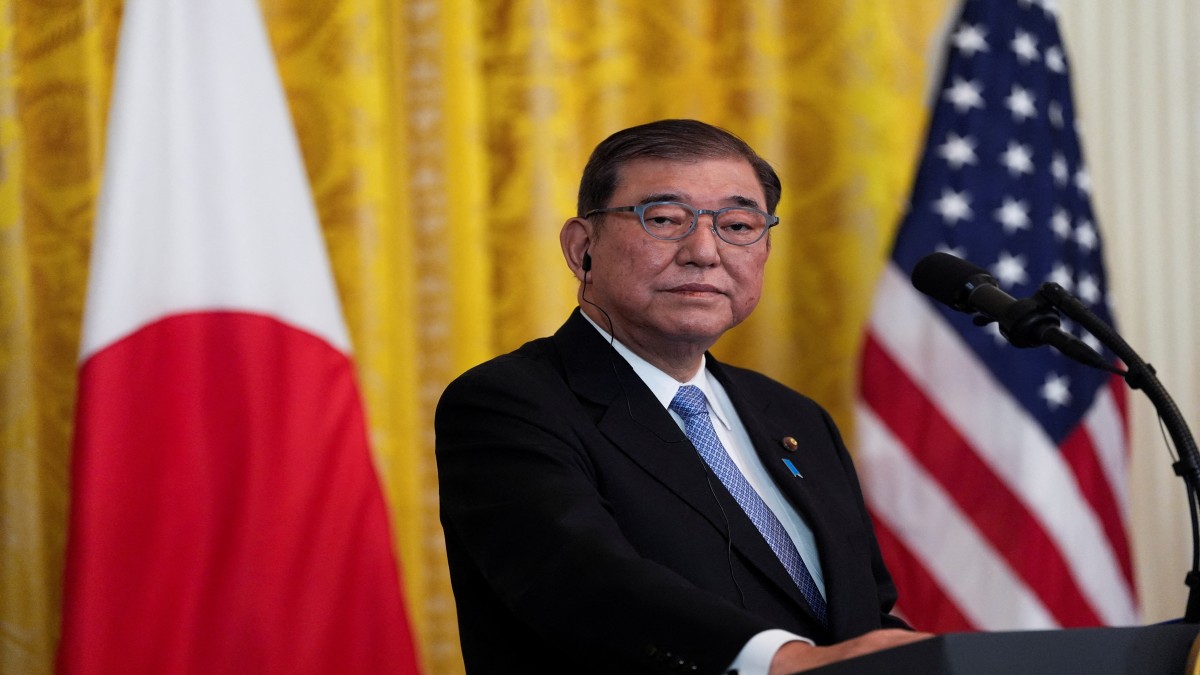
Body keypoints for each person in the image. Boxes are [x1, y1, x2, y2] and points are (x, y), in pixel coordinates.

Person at [435, 119, 928, 674]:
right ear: (582, 249)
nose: (703, 251)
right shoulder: (510, 404)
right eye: (665, 219)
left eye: (738, 224)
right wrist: (782, 661)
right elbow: (580, 581)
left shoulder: (794, 417)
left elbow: (863, 615)